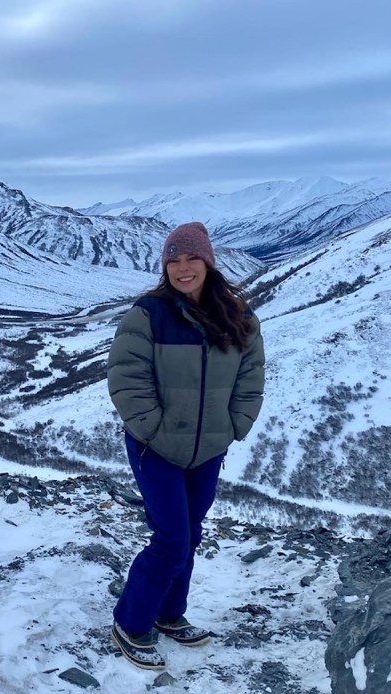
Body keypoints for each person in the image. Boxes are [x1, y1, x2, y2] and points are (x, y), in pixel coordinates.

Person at [106, 221, 265, 670]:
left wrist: (234, 425)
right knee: (172, 539)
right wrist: (153, 430)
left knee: (190, 535)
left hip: (209, 448)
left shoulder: (237, 318)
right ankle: (131, 622)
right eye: (173, 260)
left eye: (190, 257)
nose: (182, 268)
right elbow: (125, 379)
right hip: (154, 448)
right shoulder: (149, 314)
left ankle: (169, 613)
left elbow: (251, 380)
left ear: (208, 262)